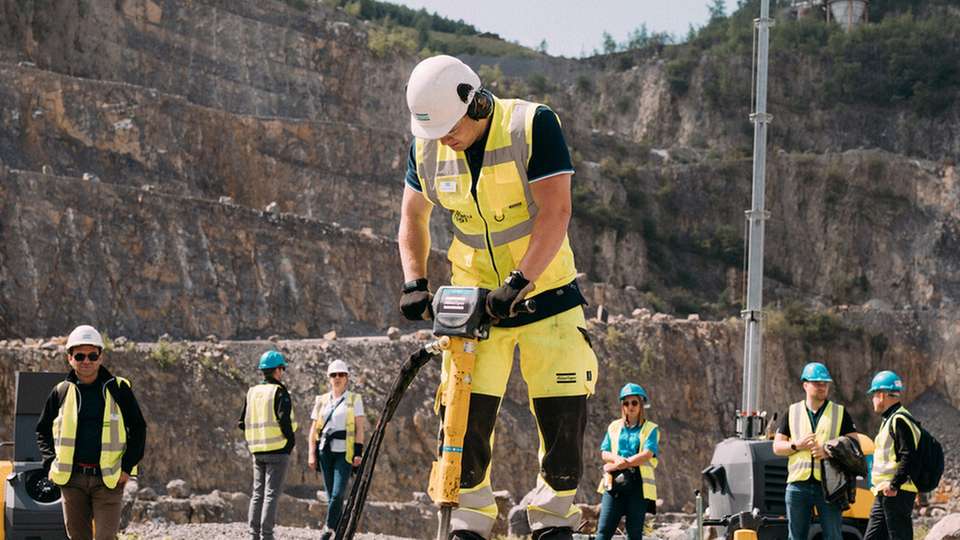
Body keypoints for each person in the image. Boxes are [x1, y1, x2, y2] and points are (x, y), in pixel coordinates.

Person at [398, 54, 598, 540]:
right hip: (474, 305)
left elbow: (556, 212)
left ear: (477, 100)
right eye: (436, 130)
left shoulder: (532, 126)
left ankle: (552, 516)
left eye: (450, 125)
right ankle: (470, 517)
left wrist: (519, 281)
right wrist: (414, 282)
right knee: (463, 417)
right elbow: (412, 219)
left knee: (563, 411)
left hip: (545, 294)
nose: (444, 137)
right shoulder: (427, 148)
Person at [36, 324, 147, 540]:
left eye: (92, 355)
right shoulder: (61, 392)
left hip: (109, 479)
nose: (86, 361)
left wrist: (126, 468)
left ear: (100, 357)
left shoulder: (119, 389)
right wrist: (50, 463)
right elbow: (42, 430)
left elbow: (138, 428)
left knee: (105, 537)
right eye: (79, 356)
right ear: (70, 358)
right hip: (72, 480)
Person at [772, 362, 859, 540]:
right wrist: (796, 445)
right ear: (805, 385)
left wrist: (828, 451)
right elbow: (777, 447)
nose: (822, 387)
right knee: (796, 537)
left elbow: (854, 445)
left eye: (825, 383)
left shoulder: (840, 412)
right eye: (817, 383)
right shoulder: (792, 411)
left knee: (833, 536)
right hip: (797, 486)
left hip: (829, 486)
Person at [239, 351, 298, 540]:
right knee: (271, 494)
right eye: (282, 368)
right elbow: (284, 420)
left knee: (257, 493)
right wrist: (290, 442)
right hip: (278, 449)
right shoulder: (279, 392)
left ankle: (253, 535)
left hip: (257, 450)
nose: (283, 372)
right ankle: (267, 535)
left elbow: (242, 422)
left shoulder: (252, 392)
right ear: (277, 370)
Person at [308, 359, 366, 539]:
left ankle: (328, 529)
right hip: (325, 452)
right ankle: (340, 534)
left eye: (341, 374)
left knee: (338, 494)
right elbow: (313, 429)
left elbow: (360, 429)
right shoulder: (321, 400)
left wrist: (358, 452)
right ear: (329, 378)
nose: (337, 378)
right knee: (331, 494)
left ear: (347, 377)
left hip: (345, 453)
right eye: (334, 375)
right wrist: (311, 453)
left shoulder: (354, 399)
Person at [595, 383, 659, 539]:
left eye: (634, 402)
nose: (630, 406)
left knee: (634, 534)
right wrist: (618, 461)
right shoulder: (613, 427)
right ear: (622, 406)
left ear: (641, 404)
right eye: (626, 403)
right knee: (603, 531)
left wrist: (626, 463)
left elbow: (648, 454)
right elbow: (605, 452)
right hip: (614, 483)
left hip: (638, 485)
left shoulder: (651, 429)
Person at [864, 370, 919, 540]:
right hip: (885, 492)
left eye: (873, 395)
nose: (873, 399)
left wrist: (894, 485)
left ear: (881, 395)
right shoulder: (890, 419)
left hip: (897, 492)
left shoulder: (900, 420)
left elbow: (909, 455)